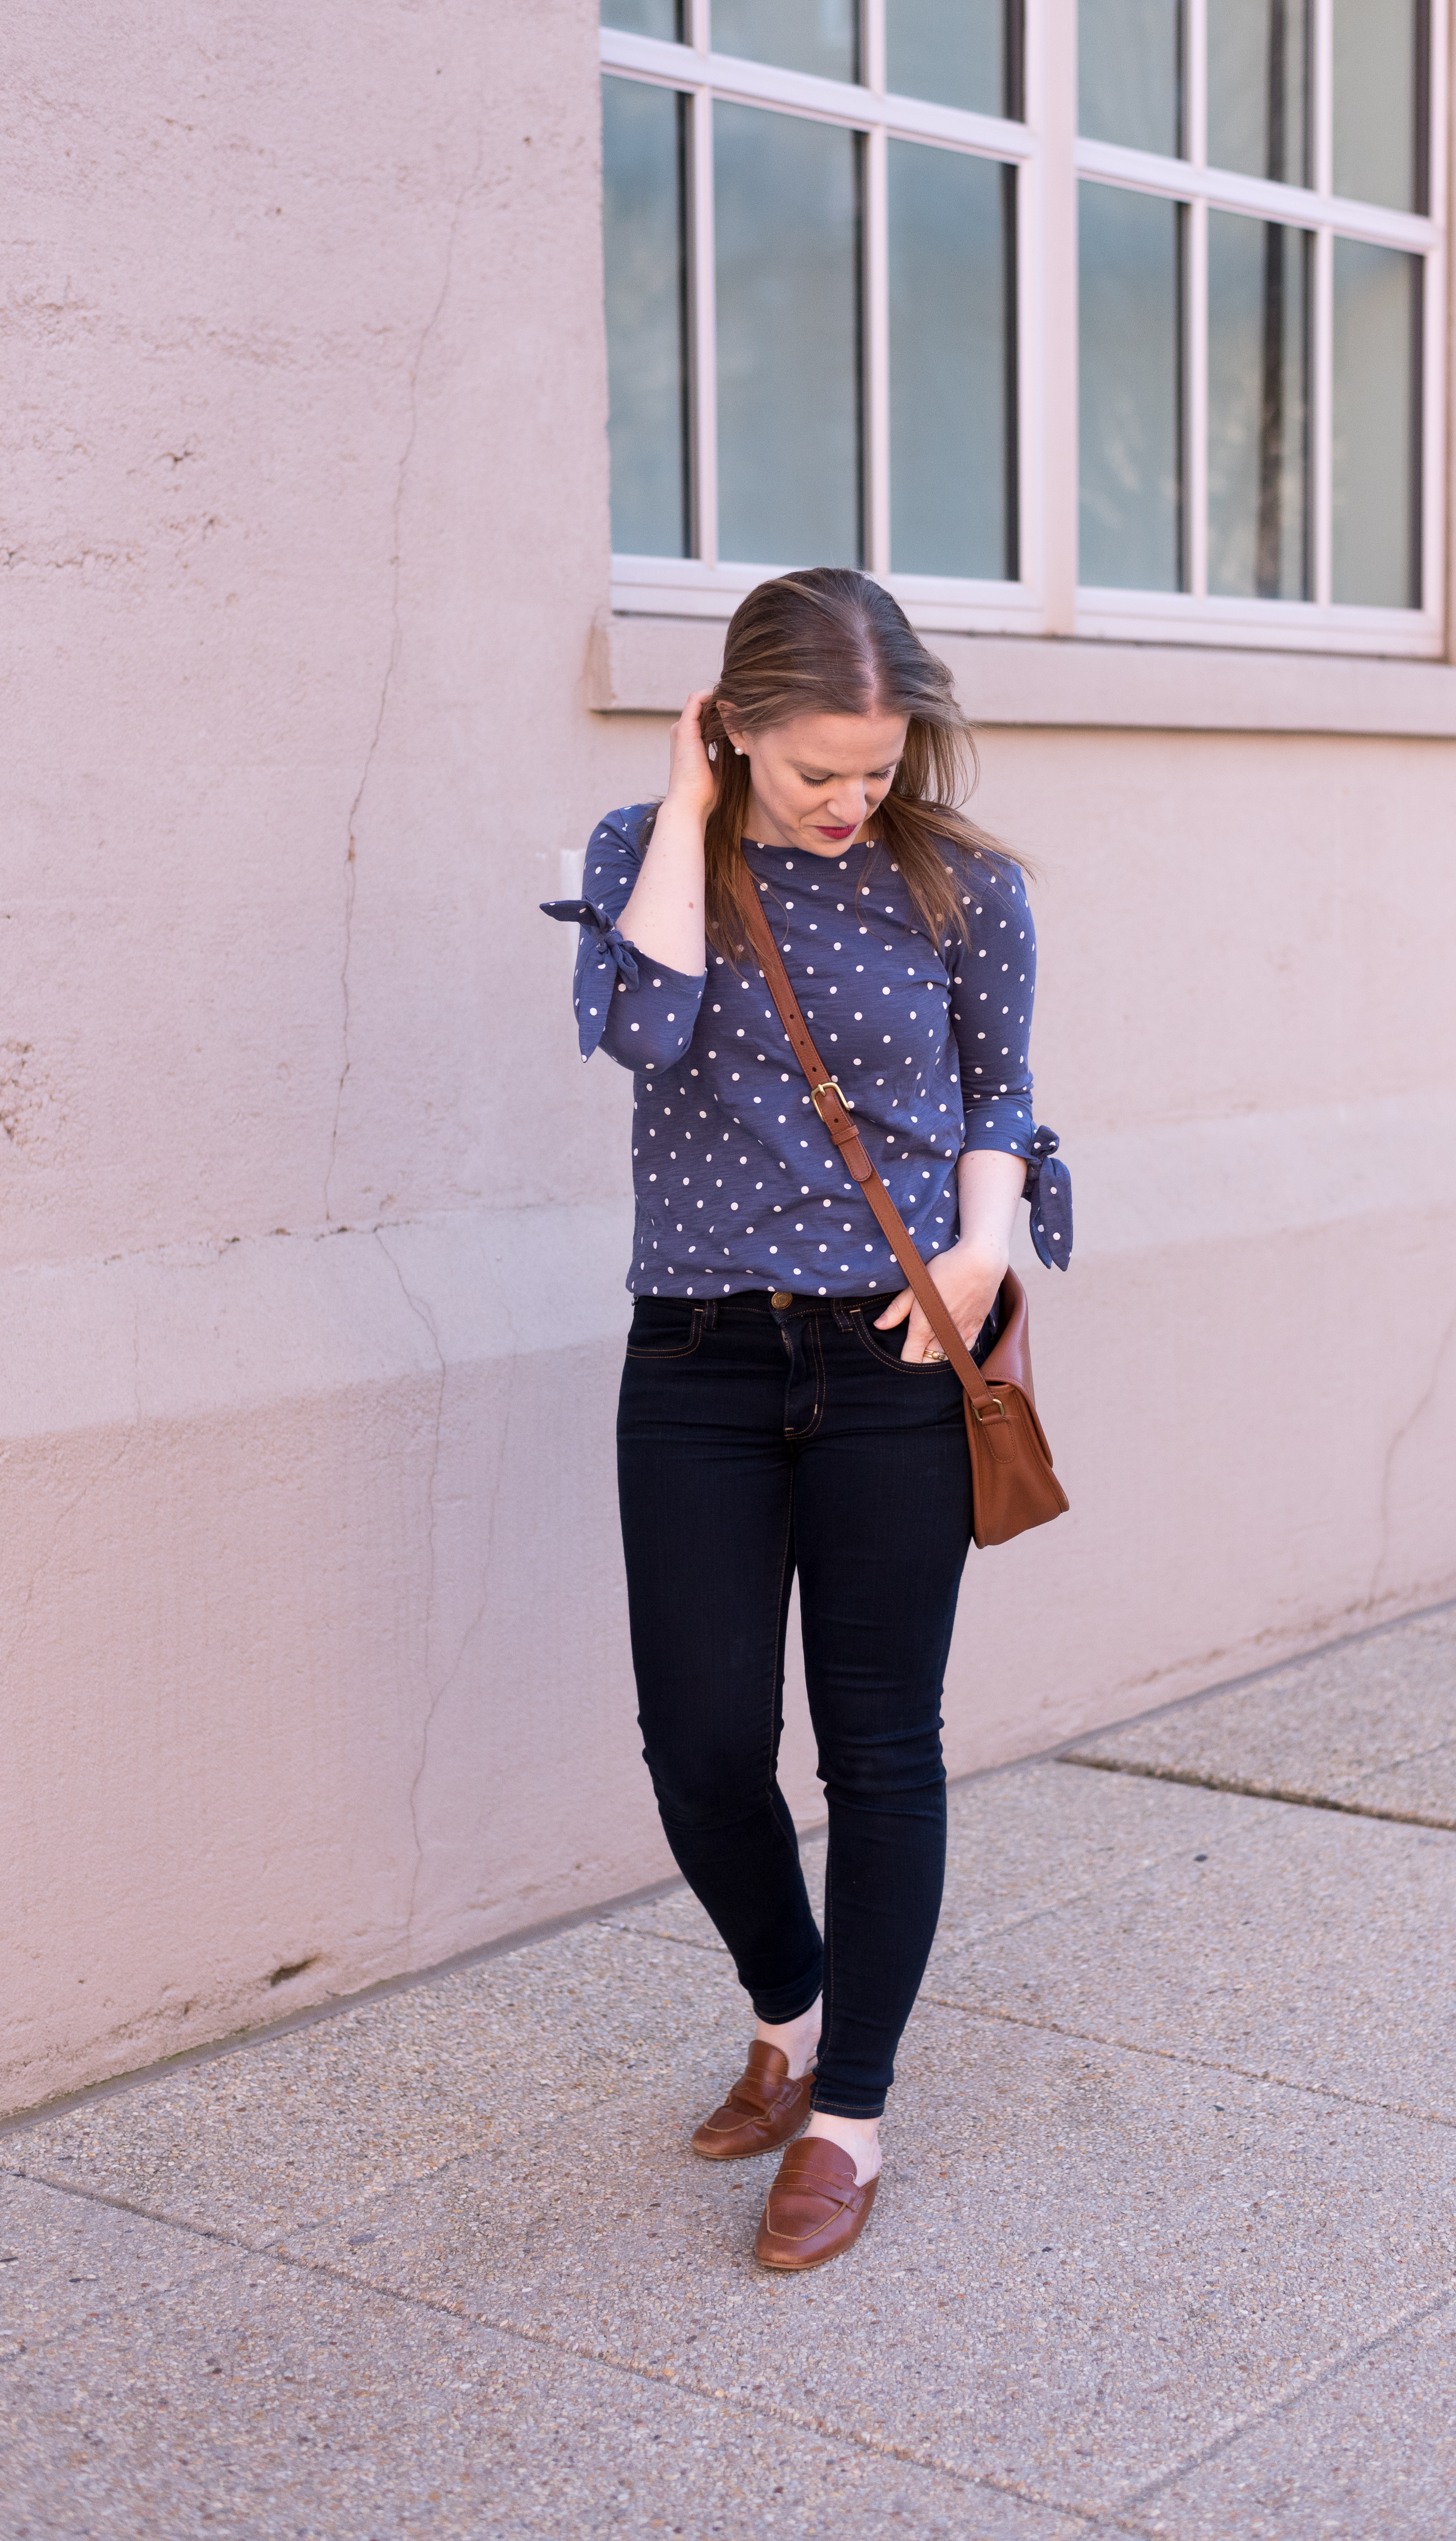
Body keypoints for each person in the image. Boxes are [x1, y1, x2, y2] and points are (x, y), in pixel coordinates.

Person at [552, 567, 1067, 2271]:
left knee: (879, 1743)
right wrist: (697, 811)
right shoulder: (650, 850)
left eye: (879, 764)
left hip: (892, 1359)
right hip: (693, 1357)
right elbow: (643, 1028)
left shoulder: (956, 884)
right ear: (732, 726)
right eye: (814, 771)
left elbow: (1000, 1091)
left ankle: (847, 2105)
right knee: (698, 1742)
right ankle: (789, 2000)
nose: (854, 800)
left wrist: (983, 1250)